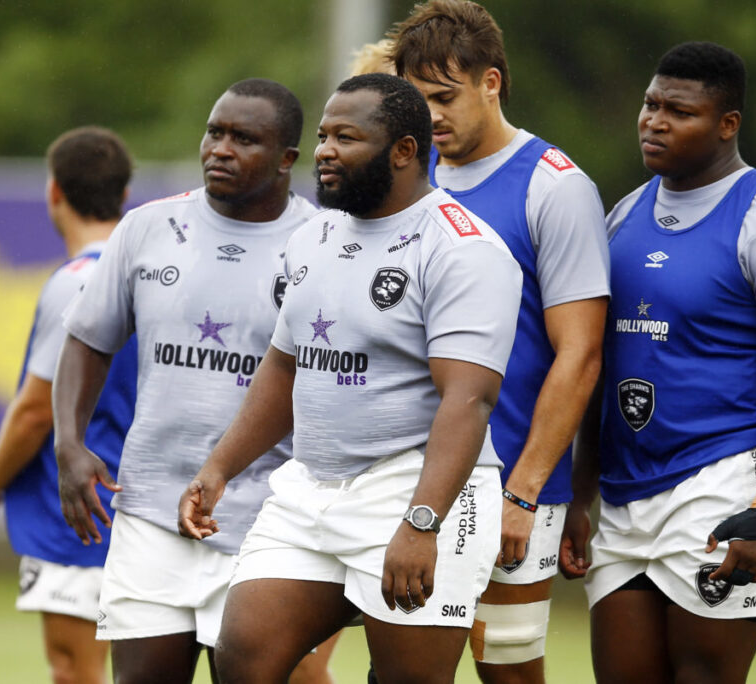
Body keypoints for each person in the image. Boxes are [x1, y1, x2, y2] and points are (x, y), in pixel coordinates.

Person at [178, 72, 523, 684]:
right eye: (322, 136)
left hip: (417, 490)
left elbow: (468, 401)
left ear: (404, 150)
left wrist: (422, 522)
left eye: (346, 137)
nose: (325, 151)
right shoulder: (314, 236)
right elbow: (286, 365)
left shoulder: (463, 249)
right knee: (242, 657)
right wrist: (219, 467)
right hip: (309, 489)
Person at [558, 42, 756, 683]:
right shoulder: (623, 216)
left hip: (725, 481)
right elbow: (600, 366)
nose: (654, 122)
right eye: (650, 105)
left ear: (727, 124)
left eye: (679, 112)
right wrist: (579, 492)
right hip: (626, 496)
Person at [53, 79, 336, 684]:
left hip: (270, 520)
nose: (220, 149)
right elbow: (86, 339)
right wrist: (69, 442)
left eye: (244, 139)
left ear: (286, 159)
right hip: (151, 510)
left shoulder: (324, 245)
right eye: (214, 132)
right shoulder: (148, 228)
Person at [389, 2, 609, 681]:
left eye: (443, 97)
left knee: (507, 669)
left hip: (507, 481)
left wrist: (526, 491)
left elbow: (580, 354)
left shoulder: (555, 187)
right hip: (399, 478)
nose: (429, 117)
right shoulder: (403, 177)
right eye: (415, 101)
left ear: (492, 83)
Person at [0, 126, 136, 684]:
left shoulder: (77, 281)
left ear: (54, 191)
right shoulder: (152, 273)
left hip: (82, 511)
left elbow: (36, 410)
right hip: (143, 503)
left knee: (74, 670)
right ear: (123, 194)